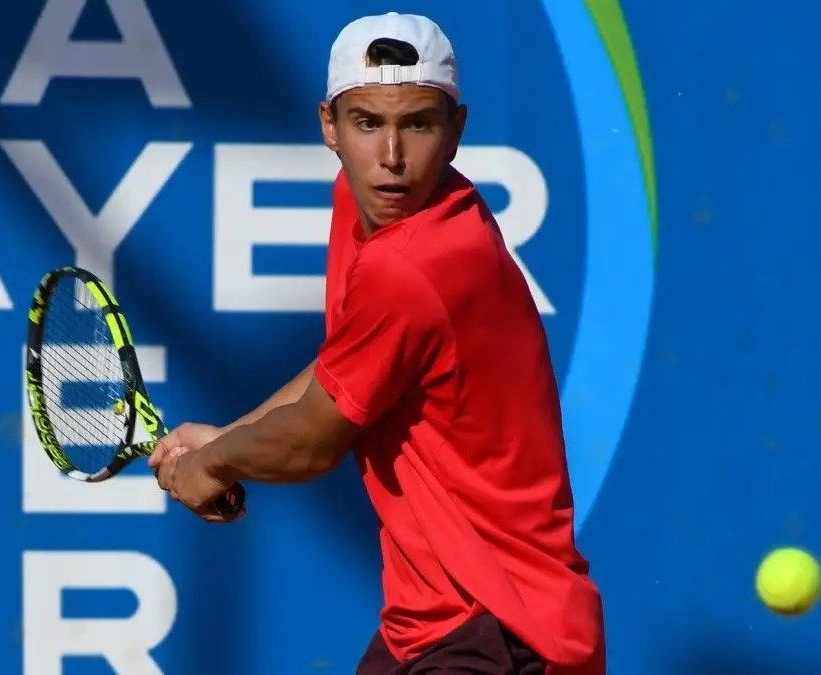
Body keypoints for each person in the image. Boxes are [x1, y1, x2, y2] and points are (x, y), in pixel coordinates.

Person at [148, 11, 606, 675]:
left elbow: (312, 441)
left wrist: (215, 463)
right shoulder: (370, 207)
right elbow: (344, 367)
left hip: (503, 631)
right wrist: (228, 436)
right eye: (367, 123)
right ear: (330, 126)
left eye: (417, 125)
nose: (391, 157)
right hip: (428, 624)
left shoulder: (418, 263)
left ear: (456, 130)